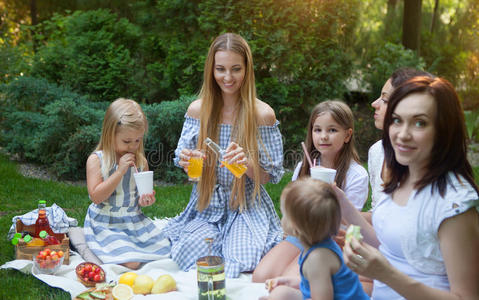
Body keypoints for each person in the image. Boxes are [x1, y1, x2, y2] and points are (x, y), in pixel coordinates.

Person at [338, 77, 479, 299]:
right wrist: (341, 203)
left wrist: (385, 274)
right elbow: (391, 245)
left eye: (419, 123)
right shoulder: (400, 177)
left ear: (444, 129)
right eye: (397, 120)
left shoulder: (454, 203)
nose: (402, 134)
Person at [163, 33, 284, 278]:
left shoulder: (262, 114)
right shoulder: (198, 111)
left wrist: (247, 164)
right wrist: (187, 163)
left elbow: (270, 176)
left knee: (244, 258)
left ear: (247, 70)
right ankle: (215, 241)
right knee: (189, 253)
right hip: (206, 206)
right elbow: (185, 162)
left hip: (246, 206)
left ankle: (233, 242)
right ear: (211, 70)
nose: (227, 78)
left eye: (235, 69)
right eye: (220, 69)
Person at [253, 100, 368, 282]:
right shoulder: (304, 167)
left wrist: (333, 198)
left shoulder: (356, 175)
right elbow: (292, 206)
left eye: (332, 130)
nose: (323, 136)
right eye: (317, 130)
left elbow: (349, 220)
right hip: (301, 234)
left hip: (331, 240)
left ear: (347, 135)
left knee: (292, 281)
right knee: (261, 277)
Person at [83, 98, 170, 269]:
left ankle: (129, 247)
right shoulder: (97, 160)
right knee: (132, 263)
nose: (132, 146)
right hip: (106, 222)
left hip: (133, 220)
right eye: (127, 141)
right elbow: (96, 197)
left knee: (166, 251)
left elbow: (139, 197)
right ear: (110, 134)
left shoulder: (141, 162)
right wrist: (119, 171)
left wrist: (145, 200)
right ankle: (90, 248)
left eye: (137, 141)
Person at [260, 177, 370, 300]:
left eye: (284, 214)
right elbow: (317, 283)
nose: (282, 218)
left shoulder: (318, 258)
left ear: (296, 227)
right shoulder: (320, 245)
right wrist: (289, 282)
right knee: (281, 293)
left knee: (280, 296)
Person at [368, 68, 434, 211]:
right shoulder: (376, 152)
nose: (374, 103)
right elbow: (379, 214)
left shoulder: (416, 159)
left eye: (385, 100)